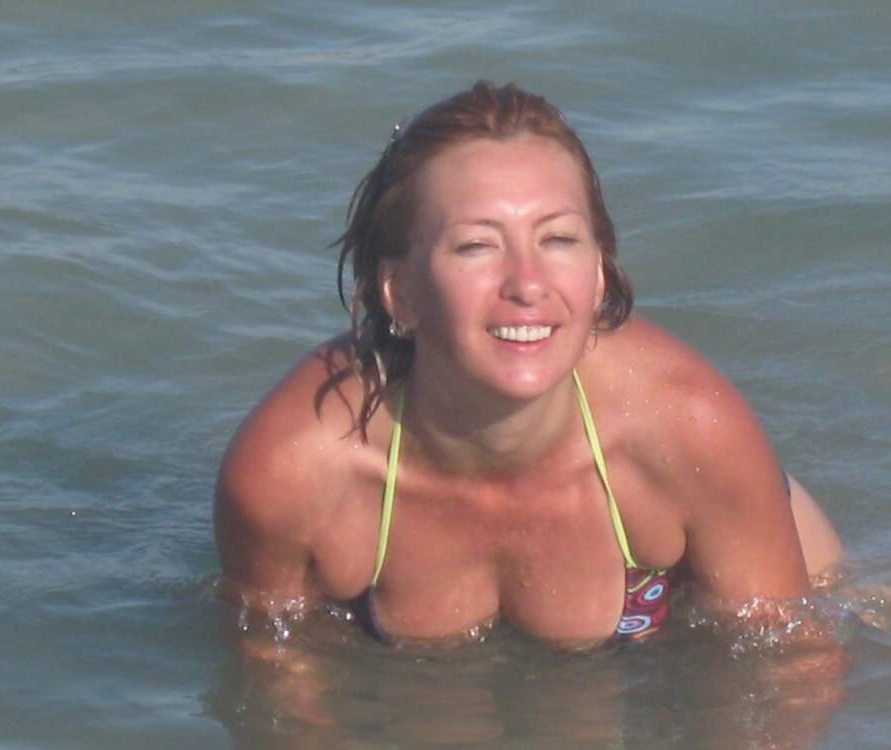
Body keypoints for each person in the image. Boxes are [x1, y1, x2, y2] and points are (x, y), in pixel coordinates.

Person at [214, 81, 842, 647]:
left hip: (758, 546)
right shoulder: (293, 474)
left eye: (558, 239)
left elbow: (793, 671)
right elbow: (278, 691)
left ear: (600, 274)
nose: (527, 283)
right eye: (476, 245)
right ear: (399, 291)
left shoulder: (689, 431)